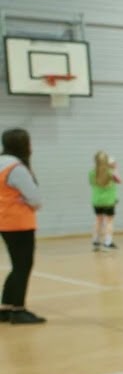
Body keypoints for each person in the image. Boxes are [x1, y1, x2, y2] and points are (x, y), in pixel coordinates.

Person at [0, 128, 45, 324]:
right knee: (23, 266)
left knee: (17, 265)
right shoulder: (16, 168)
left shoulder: (2, 164)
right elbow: (35, 199)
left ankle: (5, 307)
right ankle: (18, 309)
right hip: (19, 223)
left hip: (5, 221)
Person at [90, 151, 121, 250]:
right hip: (108, 201)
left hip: (96, 200)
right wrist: (115, 169)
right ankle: (108, 242)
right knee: (109, 221)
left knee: (98, 220)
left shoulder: (91, 172)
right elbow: (119, 180)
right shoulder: (110, 172)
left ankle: (96, 241)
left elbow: (92, 183)